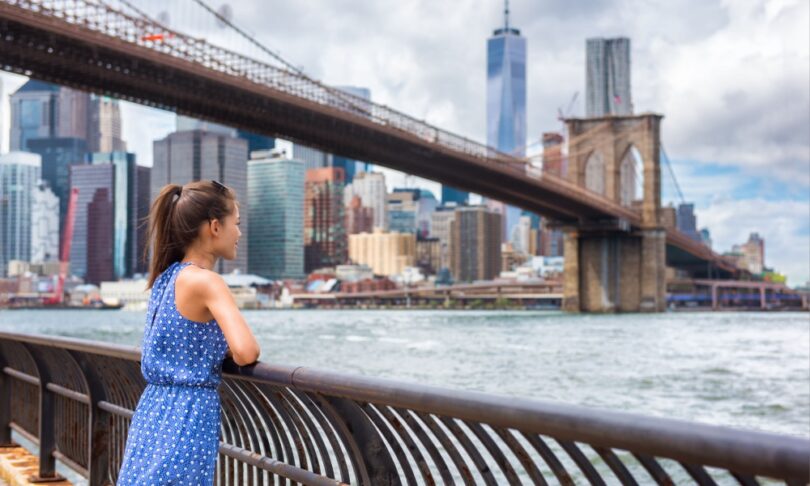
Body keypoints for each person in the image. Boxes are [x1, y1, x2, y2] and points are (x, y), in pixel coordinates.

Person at [117, 180, 260, 485]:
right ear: (214, 227)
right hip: (187, 416)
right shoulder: (206, 282)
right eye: (236, 223)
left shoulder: (165, 278)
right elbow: (246, 351)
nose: (240, 233)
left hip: (153, 411)